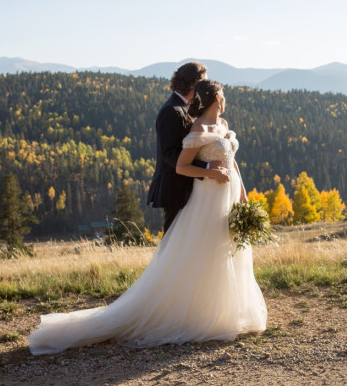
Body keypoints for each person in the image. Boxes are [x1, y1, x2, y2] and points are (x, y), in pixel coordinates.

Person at [28, 79, 267, 355]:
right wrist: (212, 173)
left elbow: (231, 160)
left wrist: (244, 193)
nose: (225, 99)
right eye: (222, 95)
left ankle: (228, 310)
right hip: (208, 199)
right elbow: (181, 166)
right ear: (214, 98)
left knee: (229, 249)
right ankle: (202, 315)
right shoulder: (198, 129)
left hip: (228, 197)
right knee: (207, 253)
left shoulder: (223, 125)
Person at [147, 62, 219, 233]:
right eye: (203, 82)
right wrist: (205, 167)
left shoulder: (185, 107)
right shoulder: (171, 110)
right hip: (175, 187)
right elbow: (168, 153)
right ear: (194, 84)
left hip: (187, 184)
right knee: (173, 240)